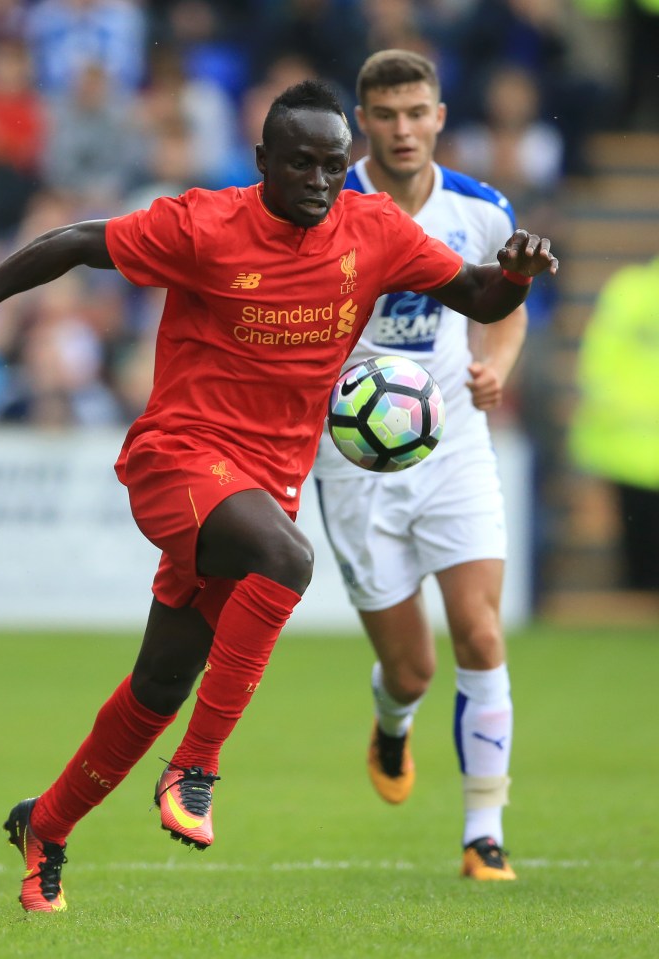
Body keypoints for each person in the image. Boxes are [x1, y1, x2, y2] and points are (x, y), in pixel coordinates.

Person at [0, 79, 557, 912]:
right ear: (263, 161)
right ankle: (198, 765)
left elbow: (479, 295)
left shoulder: (375, 230)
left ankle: (44, 826)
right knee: (287, 559)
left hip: (266, 485)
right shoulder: (203, 224)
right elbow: (73, 242)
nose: (317, 180)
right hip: (177, 460)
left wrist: (516, 278)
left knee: (159, 681)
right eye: (299, 163)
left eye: (332, 166)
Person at [311, 50, 528, 881]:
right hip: (354, 457)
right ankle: (392, 720)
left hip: (454, 441)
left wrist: (495, 363)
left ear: (440, 116)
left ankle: (484, 832)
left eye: (417, 113)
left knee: (479, 630)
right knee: (413, 667)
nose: (403, 129)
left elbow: (510, 304)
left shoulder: (480, 210)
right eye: (387, 115)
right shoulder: (328, 204)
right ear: (363, 122)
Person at [569, 255, 659, 592]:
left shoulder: (629, 288)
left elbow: (597, 358)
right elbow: (600, 359)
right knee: (640, 550)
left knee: (640, 550)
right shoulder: (630, 290)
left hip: (626, 441)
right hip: (629, 443)